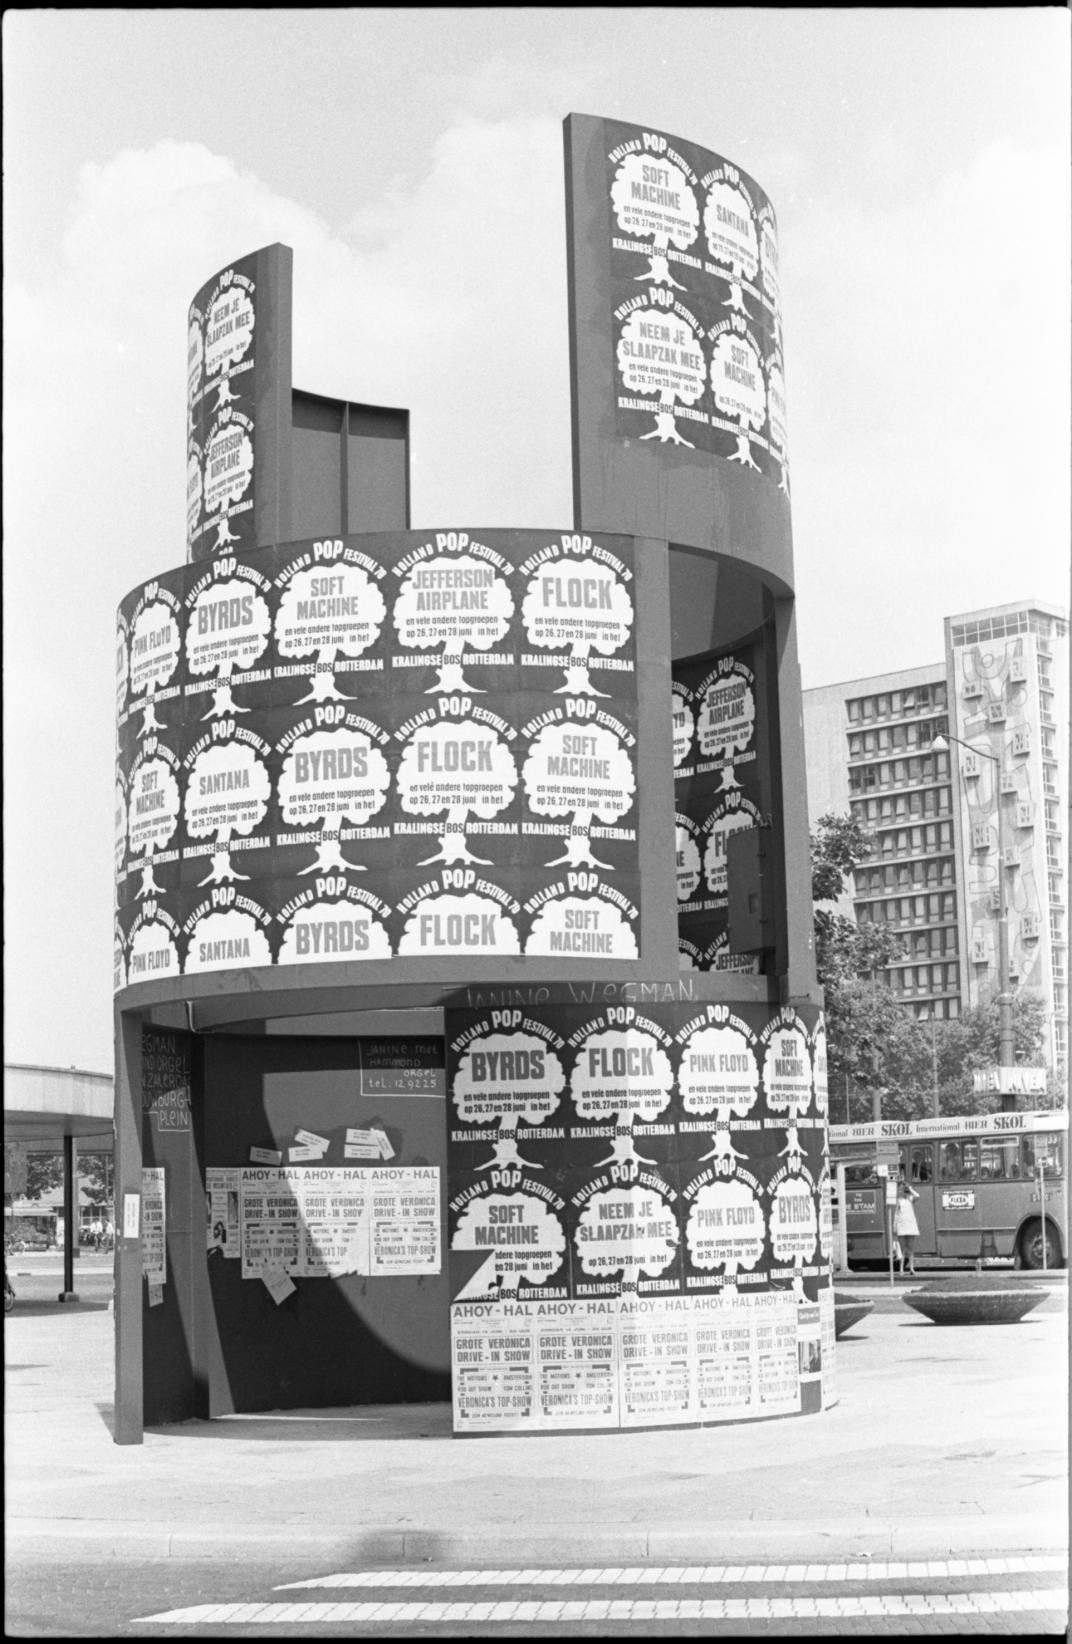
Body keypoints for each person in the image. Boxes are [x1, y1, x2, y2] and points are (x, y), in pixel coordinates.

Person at [894, 1178, 921, 1274]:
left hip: (911, 1225)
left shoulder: (911, 1199)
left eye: (906, 1191)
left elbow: (917, 1195)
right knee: (902, 1249)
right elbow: (896, 1214)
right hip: (901, 1226)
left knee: (911, 1249)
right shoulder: (899, 1201)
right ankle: (901, 1269)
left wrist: (910, 1188)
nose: (905, 1193)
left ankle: (911, 1268)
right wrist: (895, 1227)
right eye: (904, 1191)